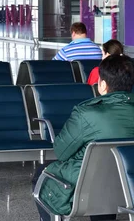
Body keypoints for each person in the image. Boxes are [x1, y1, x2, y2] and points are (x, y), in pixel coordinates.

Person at [33, 55, 134, 221]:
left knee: (41, 173)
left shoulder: (86, 114)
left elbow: (61, 152)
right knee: (109, 176)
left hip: (89, 187)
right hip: (129, 187)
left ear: (102, 84)